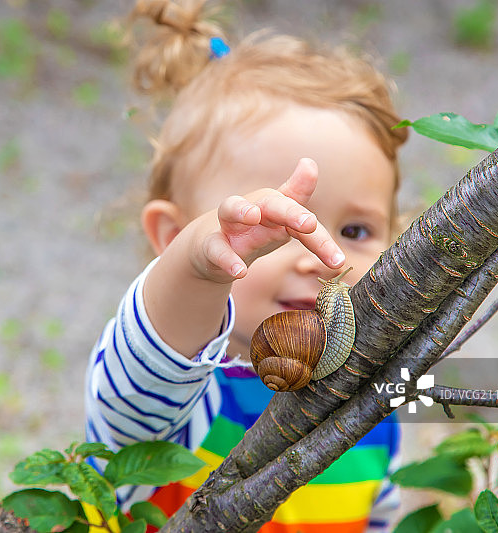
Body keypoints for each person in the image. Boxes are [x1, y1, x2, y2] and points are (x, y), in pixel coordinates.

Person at [85, 1, 409, 531]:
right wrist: (194, 271)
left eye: (354, 232)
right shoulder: (186, 399)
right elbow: (140, 379)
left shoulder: (370, 406)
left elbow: (377, 514)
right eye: (273, 227)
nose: (319, 258)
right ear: (174, 237)